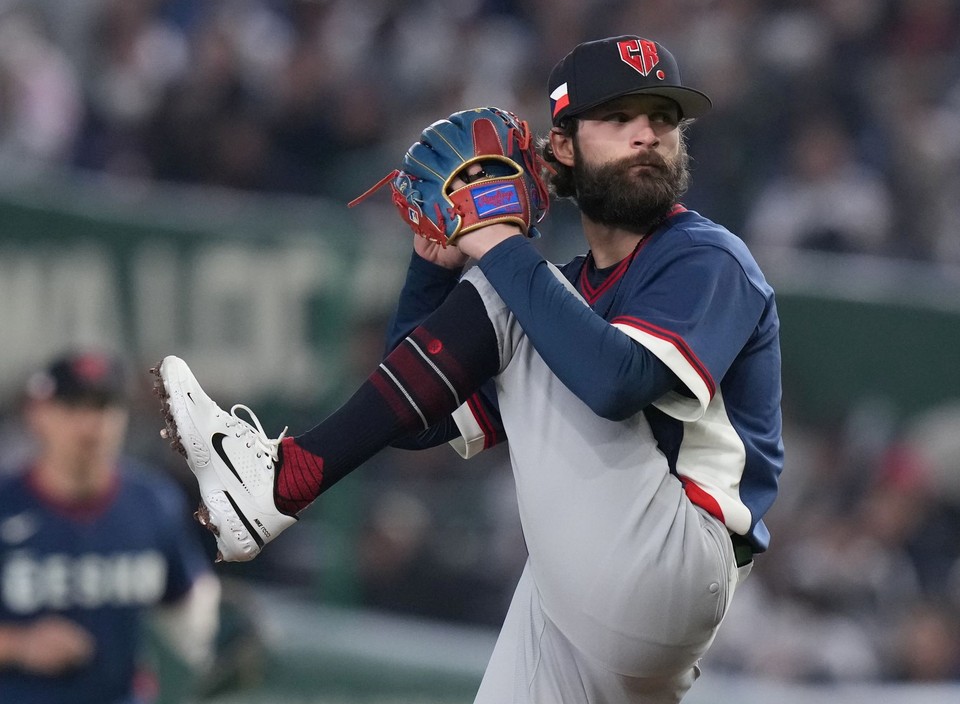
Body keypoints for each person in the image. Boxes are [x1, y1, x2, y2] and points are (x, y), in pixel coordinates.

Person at [154, 34, 784, 703]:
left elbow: (616, 382)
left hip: (673, 559)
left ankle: (281, 481)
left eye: (663, 119)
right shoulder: (562, 290)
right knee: (516, 293)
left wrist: (490, 237)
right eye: (619, 117)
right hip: (587, 600)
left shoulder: (707, 257)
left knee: (512, 292)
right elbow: (420, 419)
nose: (648, 135)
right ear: (563, 146)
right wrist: (430, 271)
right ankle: (281, 480)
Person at [0, 351, 220, 704]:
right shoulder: (7, 503)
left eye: (104, 407)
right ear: (38, 414)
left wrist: (213, 629)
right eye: (72, 407)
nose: (90, 425)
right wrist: (19, 645)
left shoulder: (154, 503)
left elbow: (187, 603)